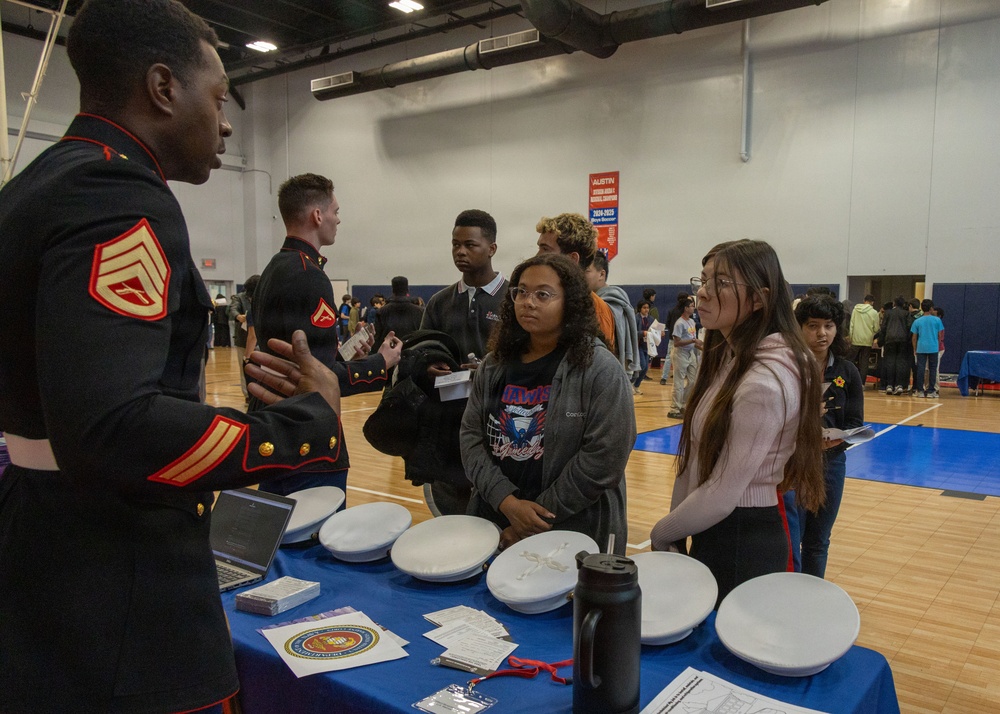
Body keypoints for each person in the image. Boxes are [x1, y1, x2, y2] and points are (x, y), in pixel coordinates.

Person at [0, 2, 345, 712]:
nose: (224, 124)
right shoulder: (118, 194)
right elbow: (111, 428)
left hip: (41, 543)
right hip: (120, 575)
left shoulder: (34, 187)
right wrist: (308, 424)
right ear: (163, 88)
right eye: (219, 98)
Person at [649, 240, 824, 606]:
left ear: (759, 299)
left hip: (743, 539)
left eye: (722, 283)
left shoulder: (764, 380)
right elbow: (695, 457)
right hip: (715, 529)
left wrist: (663, 531)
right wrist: (676, 527)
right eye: (705, 278)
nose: (703, 292)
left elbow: (723, 493)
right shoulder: (730, 358)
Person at [461, 253, 635, 553]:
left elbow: (603, 459)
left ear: (570, 302)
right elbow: (471, 438)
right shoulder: (494, 365)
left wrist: (533, 518)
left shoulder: (600, 369)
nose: (528, 302)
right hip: (496, 520)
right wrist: (508, 503)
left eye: (543, 294)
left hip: (573, 531)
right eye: (521, 292)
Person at [249, 173, 402, 495]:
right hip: (305, 430)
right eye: (335, 211)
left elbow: (304, 358)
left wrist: (346, 352)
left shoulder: (275, 268)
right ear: (318, 215)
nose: (338, 219)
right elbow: (318, 379)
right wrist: (381, 362)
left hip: (276, 423)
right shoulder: (309, 275)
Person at [419, 209, 509, 515]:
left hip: (503, 425)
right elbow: (420, 355)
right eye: (455, 244)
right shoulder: (439, 302)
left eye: (470, 245)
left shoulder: (514, 299)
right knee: (451, 512)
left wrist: (489, 369)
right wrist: (426, 368)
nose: (460, 251)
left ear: (492, 248)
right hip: (450, 425)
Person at [783, 295, 863, 577]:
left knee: (818, 541)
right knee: (793, 538)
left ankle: (813, 600)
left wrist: (842, 437)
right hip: (793, 465)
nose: (822, 333)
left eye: (828, 326)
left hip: (831, 464)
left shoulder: (847, 371)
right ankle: (791, 594)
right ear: (799, 328)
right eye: (813, 325)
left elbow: (855, 421)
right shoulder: (787, 367)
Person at [535, 213, 616, 350]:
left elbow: (596, 366)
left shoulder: (597, 311)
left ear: (572, 259)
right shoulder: (534, 299)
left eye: (545, 249)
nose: (537, 256)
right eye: (539, 248)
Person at [584, 250, 640, 380]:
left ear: (601, 274)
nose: (579, 274)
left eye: (586, 270)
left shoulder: (609, 303)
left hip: (606, 372)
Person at [228, 274, 260, 402]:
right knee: (245, 368)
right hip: (244, 338)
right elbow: (232, 309)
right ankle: (248, 395)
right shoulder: (240, 298)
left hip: (258, 340)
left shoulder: (260, 301)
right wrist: (238, 316)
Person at [669, 297, 701, 420]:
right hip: (680, 353)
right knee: (679, 382)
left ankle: (683, 404)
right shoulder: (679, 323)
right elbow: (676, 343)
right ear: (686, 308)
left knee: (693, 381)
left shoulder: (692, 322)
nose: (694, 308)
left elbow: (695, 339)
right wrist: (692, 340)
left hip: (690, 353)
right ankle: (674, 408)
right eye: (692, 306)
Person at [876, 296, 912, 395]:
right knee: (900, 362)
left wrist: (881, 340)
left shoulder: (888, 313)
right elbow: (909, 327)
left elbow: (883, 328)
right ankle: (899, 385)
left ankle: (889, 385)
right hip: (902, 340)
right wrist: (908, 339)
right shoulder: (906, 313)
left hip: (890, 340)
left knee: (890, 362)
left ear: (894, 303)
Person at [374, 275, 424, 347]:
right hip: (413, 354)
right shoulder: (420, 311)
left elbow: (377, 339)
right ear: (407, 289)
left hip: (388, 355)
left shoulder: (381, 312)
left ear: (393, 290)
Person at [911, 299, 944, 399]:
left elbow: (914, 337)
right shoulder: (937, 320)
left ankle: (920, 391)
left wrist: (915, 349)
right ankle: (931, 391)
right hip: (933, 348)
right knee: (932, 369)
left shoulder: (917, 321)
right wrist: (937, 345)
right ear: (931, 308)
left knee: (920, 369)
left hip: (921, 348)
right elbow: (940, 335)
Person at [848, 294, 880, 389]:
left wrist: (851, 337)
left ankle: (848, 379)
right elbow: (876, 328)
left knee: (850, 360)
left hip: (855, 339)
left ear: (864, 300)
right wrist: (872, 334)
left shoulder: (855, 310)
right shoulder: (874, 313)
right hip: (867, 339)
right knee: (864, 362)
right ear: (872, 302)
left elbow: (851, 325)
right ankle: (861, 383)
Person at [633, 299, 652, 394]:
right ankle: (631, 383)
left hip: (647, 345)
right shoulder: (635, 318)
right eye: (644, 308)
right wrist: (643, 333)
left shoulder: (651, 319)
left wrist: (659, 333)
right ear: (640, 308)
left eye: (648, 308)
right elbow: (632, 333)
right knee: (642, 365)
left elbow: (654, 331)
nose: (646, 310)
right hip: (638, 345)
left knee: (645, 368)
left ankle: (636, 386)